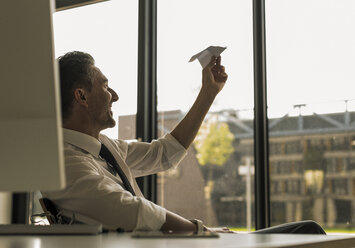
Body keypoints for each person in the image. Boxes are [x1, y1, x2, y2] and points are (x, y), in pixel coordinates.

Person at [42, 51, 325, 234]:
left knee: (306, 229)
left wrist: (208, 93)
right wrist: (202, 232)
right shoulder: (62, 162)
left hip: (176, 242)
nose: (113, 95)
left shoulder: (107, 148)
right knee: (307, 231)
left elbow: (165, 153)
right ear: (81, 96)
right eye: (105, 86)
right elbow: (131, 210)